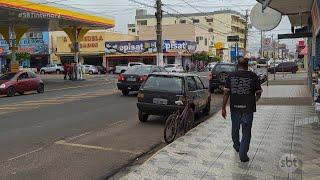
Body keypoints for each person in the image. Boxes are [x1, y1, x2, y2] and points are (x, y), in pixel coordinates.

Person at [221, 56, 263, 162]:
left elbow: (226, 93)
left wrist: (223, 108)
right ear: (247, 65)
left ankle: (237, 146)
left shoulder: (231, 76)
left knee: (235, 129)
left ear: (237, 65)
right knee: (246, 131)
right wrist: (254, 100)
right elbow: (258, 93)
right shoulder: (253, 76)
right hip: (248, 109)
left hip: (234, 108)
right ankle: (243, 155)